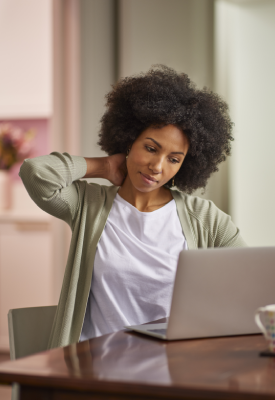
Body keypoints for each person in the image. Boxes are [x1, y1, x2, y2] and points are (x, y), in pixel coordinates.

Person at [19, 65, 246, 349]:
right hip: (94, 371)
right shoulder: (88, 206)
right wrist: (103, 166)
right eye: (151, 148)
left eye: (174, 159)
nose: (157, 167)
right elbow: (35, 172)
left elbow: (251, 285)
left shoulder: (205, 218)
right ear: (129, 141)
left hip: (172, 369)